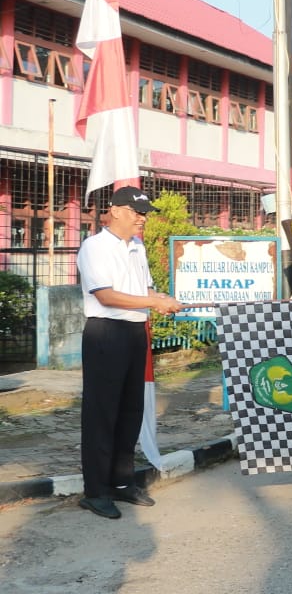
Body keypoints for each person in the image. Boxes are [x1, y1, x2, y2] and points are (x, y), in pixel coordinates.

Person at [75, 187, 184, 519]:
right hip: (106, 333)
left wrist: (160, 298)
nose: (142, 218)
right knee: (102, 413)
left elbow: (143, 288)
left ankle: (122, 483)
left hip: (136, 332)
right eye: (137, 212)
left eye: (145, 213)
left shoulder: (135, 246)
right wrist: (153, 302)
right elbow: (106, 296)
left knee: (130, 410)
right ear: (115, 211)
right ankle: (95, 491)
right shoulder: (94, 247)